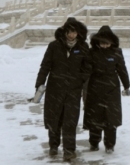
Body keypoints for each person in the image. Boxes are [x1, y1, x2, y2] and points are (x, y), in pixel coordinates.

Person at [35, 19, 91, 161]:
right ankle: (53, 145)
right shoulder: (54, 46)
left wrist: (80, 79)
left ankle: (69, 150)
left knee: (70, 120)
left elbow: (88, 67)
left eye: (74, 32)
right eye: (69, 31)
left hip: (73, 89)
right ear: (65, 32)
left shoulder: (83, 47)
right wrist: (39, 84)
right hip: (55, 88)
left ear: (78, 32)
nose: (71, 35)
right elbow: (45, 65)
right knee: (55, 118)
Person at [83, 25, 130, 154]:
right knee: (95, 117)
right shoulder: (91, 52)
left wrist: (126, 85)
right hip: (95, 87)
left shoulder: (117, 52)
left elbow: (122, 69)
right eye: (102, 43)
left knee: (111, 118)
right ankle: (94, 142)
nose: (104, 46)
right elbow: (86, 70)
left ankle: (110, 144)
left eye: (107, 43)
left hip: (112, 88)